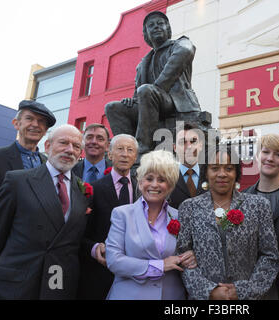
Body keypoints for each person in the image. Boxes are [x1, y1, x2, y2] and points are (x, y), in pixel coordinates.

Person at [0, 124, 89, 299]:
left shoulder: (83, 190)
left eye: (76, 146)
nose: (70, 150)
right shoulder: (17, 181)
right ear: (47, 146)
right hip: (11, 286)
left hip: (57, 284)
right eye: (63, 143)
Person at [176, 145, 279, 300]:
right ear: (206, 172)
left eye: (229, 168)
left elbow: (270, 256)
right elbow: (182, 257)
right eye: (215, 168)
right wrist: (209, 291)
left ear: (236, 172)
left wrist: (244, 290)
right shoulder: (189, 207)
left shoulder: (258, 205)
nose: (222, 174)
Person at [105, 11, 201, 158]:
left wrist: (157, 87)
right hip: (149, 101)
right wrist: (132, 101)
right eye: (151, 25)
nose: (156, 27)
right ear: (146, 34)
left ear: (168, 29)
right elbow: (139, 92)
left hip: (175, 103)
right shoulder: (143, 63)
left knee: (147, 91)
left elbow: (186, 51)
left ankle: (141, 148)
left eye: (160, 24)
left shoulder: (180, 44)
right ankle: (125, 146)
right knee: (112, 107)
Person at [105, 150, 196, 300]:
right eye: (149, 178)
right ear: (140, 182)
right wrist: (160, 265)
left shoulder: (180, 216)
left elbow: (187, 252)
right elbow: (114, 261)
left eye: (161, 180)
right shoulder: (122, 214)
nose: (154, 185)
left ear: (170, 185)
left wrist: (191, 256)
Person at [0, 100, 55, 240]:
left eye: (41, 121)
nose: (35, 124)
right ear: (16, 123)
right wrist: (13, 195)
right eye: (29, 118)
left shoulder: (49, 164)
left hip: (36, 246)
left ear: (45, 131)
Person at [78, 134, 140, 299]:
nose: (125, 154)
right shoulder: (93, 189)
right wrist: (93, 248)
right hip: (99, 273)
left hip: (132, 275)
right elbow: (79, 233)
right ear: (110, 155)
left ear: (135, 157)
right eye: (120, 149)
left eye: (130, 150)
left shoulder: (143, 190)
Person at [243, 133, 279, 298]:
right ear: (257, 156)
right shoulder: (241, 200)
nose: (270, 158)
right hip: (252, 284)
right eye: (265, 152)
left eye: (278, 154)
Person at [168, 123, 206, 209]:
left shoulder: (211, 176)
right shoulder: (167, 178)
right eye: (182, 142)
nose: (189, 146)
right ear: (174, 148)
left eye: (193, 141)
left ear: (200, 145)